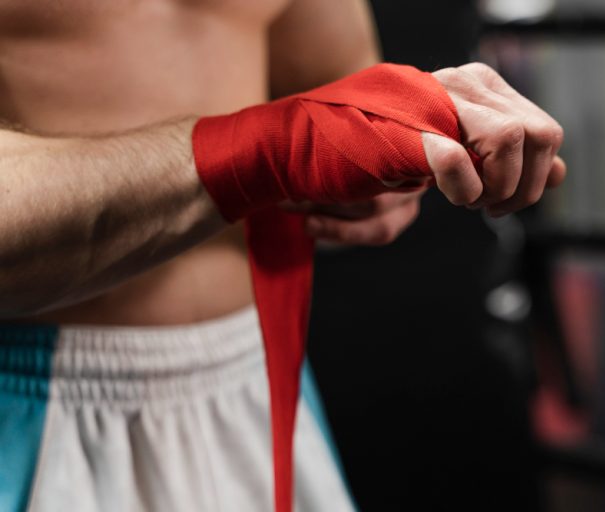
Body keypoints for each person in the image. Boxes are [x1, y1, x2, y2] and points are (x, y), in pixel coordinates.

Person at [0, 0, 566, 511]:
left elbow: (331, 88)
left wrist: (392, 144)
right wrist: (274, 148)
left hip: (254, 387)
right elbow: (282, 138)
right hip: (24, 407)